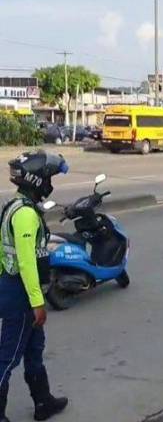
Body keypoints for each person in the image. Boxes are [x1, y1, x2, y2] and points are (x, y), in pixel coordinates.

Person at [0, 151, 69, 422]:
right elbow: (27, 263)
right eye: (49, 177)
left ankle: (43, 402)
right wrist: (37, 302)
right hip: (20, 293)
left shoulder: (14, 205)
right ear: (37, 180)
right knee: (8, 356)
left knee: (34, 348)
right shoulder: (26, 214)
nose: (50, 183)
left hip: (14, 286)